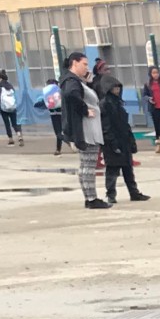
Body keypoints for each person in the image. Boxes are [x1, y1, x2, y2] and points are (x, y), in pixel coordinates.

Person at [59, 51, 107, 209]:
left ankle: (90, 197)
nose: (87, 68)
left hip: (88, 130)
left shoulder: (76, 81)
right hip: (86, 131)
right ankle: (91, 198)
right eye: (84, 64)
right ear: (74, 63)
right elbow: (71, 95)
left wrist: (87, 83)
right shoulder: (71, 81)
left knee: (87, 165)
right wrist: (85, 110)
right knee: (88, 165)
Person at [99, 73, 149, 203]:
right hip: (112, 142)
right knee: (112, 170)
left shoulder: (118, 103)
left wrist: (131, 141)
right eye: (114, 88)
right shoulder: (105, 104)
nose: (117, 90)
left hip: (123, 140)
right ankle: (111, 195)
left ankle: (134, 192)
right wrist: (112, 142)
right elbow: (106, 125)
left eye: (118, 88)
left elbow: (125, 124)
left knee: (128, 169)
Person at [0, 70, 23, 144]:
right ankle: (19, 135)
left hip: (3, 108)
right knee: (14, 123)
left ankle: (10, 139)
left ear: (0, 78)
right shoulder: (10, 85)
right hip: (12, 107)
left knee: (7, 123)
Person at [42, 77, 64, 153]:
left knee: (58, 132)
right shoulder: (59, 90)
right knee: (61, 131)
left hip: (53, 114)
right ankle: (59, 149)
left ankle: (59, 149)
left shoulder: (46, 92)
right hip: (61, 113)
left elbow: (44, 102)